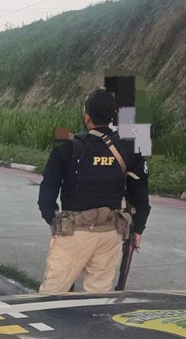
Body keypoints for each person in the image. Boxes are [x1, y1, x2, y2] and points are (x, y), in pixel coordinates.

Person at [37, 88, 150, 293]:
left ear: (87, 117)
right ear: (112, 116)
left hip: (73, 232)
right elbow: (140, 196)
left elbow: (47, 192)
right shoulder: (130, 149)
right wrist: (138, 229)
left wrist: (53, 220)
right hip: (110, 233)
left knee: (51, 298)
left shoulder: (67, 148)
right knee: (97, 299)